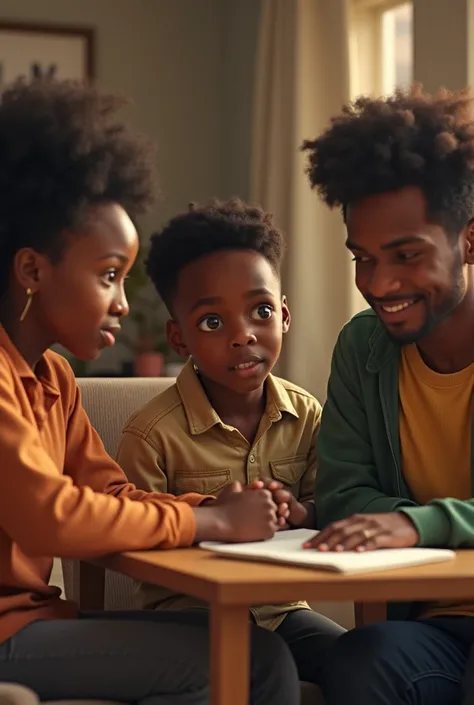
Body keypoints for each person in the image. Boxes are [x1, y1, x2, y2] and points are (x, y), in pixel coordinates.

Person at [0, 79, 302, 705]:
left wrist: (212, 506)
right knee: (249, 662)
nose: (121, 301)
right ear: (32, 270)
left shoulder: (53, 380)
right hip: (7, 637)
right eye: (109, 275)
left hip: (34, 624)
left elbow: (109, 494)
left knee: (258, 651)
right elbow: (52, 516)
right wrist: (209, 521)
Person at [117, 198, 345, 687]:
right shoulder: (151, 433)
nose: (243, 336)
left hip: (282, 611)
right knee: (266, 665)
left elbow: (330, 503)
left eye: (260, 310)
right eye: (213, 323)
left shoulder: (306, 414)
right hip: (188, 615)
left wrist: (301, 513)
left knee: (358, 659)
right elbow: (132, 533)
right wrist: (211, 519)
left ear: (284, 315)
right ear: (179, 340)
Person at [301, 85, 474, 705]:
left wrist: (416, 523)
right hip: (434, 629)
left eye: (405, 255)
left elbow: (388, 518)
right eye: (363, 258)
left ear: (469, 241)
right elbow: (343, 493)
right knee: (361, 660)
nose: (379, 283)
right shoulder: (363, 348)